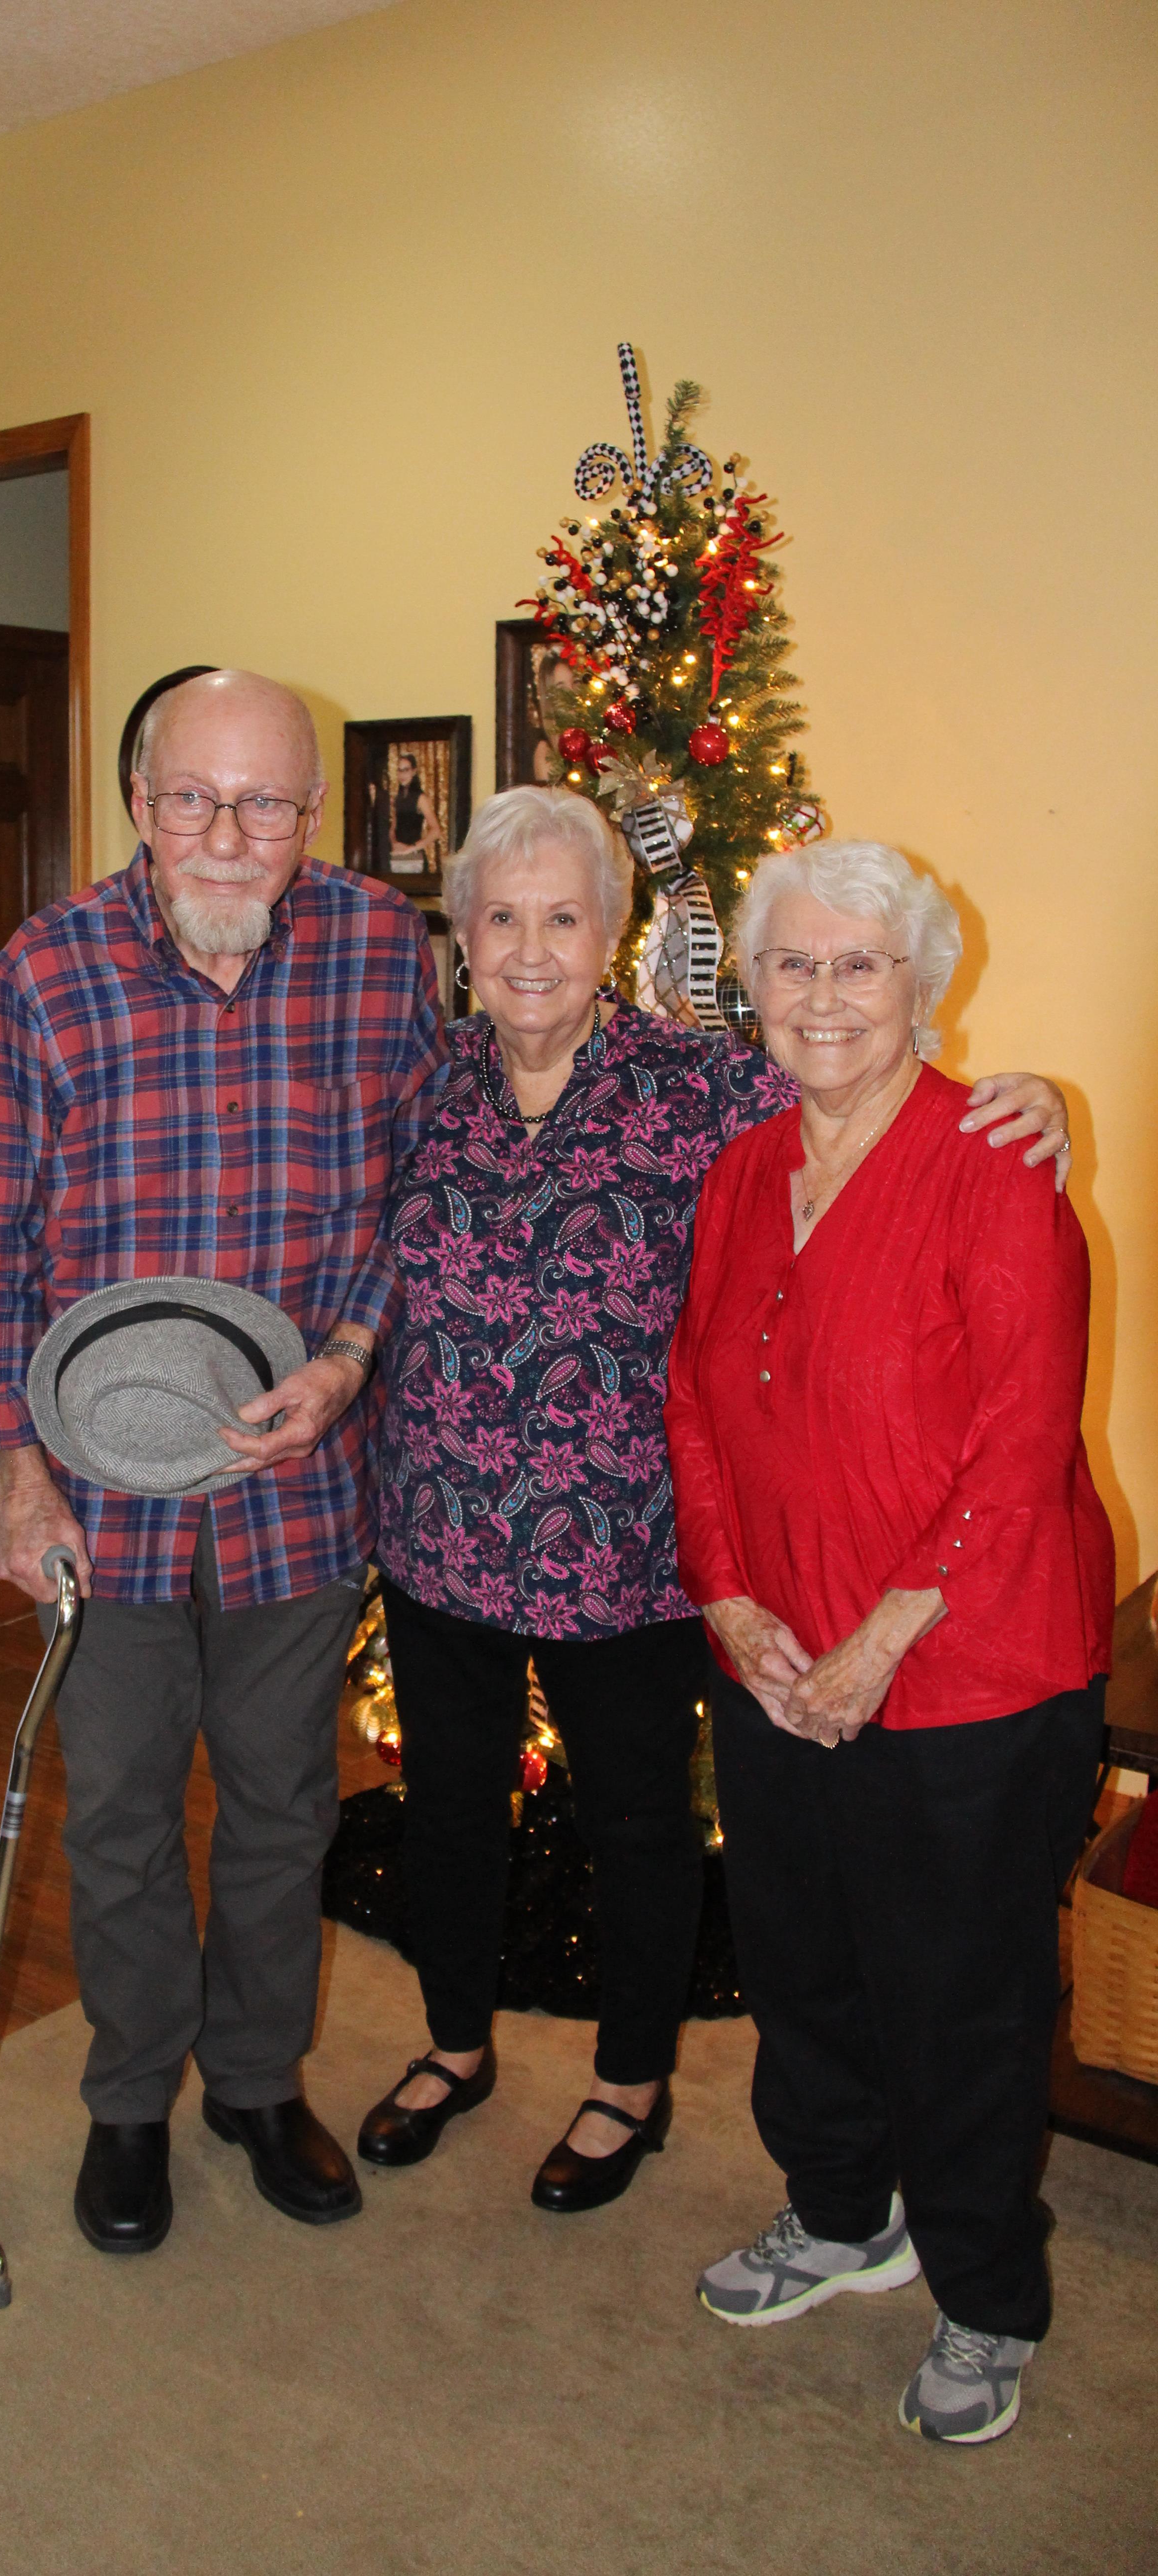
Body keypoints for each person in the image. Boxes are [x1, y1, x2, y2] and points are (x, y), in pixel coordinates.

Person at [358, 788, 1073, 2215]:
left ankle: (629, 2084)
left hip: (629, 1548)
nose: (534, 949)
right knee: (448, 1811)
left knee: (637, 1827)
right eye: (503, 919)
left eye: (566, 917)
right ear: (466, 940)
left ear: (616, 932)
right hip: (434, 1526)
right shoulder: (423, 1082)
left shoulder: (702, 1085)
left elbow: (869, 1107)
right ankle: (452, 2046)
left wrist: (1034, 1098)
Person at [0, 668, 448, 2254]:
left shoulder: (383, 952)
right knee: (115, 1817)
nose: (229, 838)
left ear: (315, 814)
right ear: (139, 804)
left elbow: (412, 1199)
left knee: (281, 1805)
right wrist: (12, 1471)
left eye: (267, 805)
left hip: (303, 1480)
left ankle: (250, 2081)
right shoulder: (48, 970)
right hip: (102, 1498)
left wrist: (351, 1356)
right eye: (194, 800)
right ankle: (125, 2105)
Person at [665, 839, 1112, 2446]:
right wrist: (730, 1603)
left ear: (925, 986)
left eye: (860, 965)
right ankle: (841, 2214)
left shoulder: (992, 1163)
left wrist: (875, 1643)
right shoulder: (733, 1174)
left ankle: (987, 2296)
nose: (824, 995)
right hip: (773, 1653)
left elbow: (1015, 1443)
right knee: (801, 1968)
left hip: (971, 1672)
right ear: (753, 993)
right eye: (794, 964)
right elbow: (693, 1405)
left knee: (961, 1999)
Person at [387, 749, 443, 879]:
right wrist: (395, 844)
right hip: (398, 857)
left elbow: (436, 831)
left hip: (415, 858)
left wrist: (412, 848)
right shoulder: (398, 798)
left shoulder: (421, 798)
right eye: (400, 770)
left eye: (406, 770)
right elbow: (393, 828)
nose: (402, 775)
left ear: (414, 771)